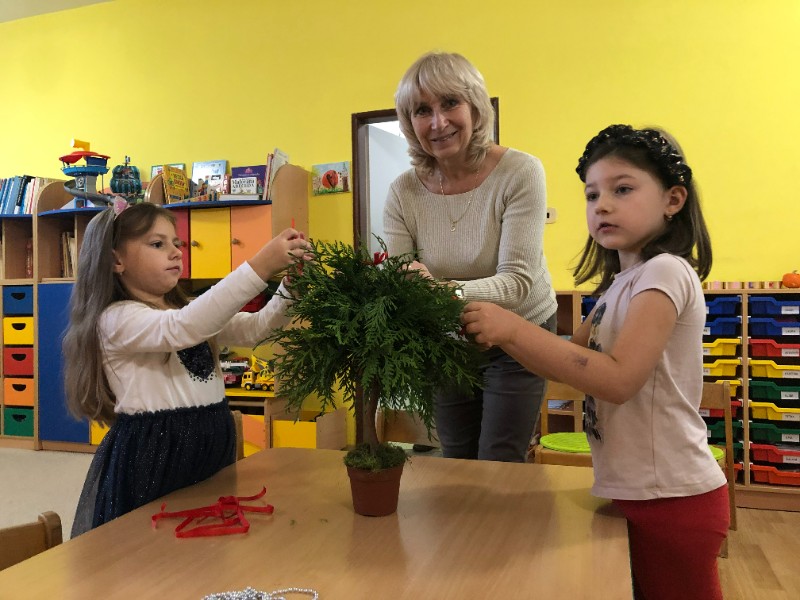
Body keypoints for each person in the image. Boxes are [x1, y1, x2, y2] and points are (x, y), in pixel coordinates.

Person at [462, 124, 729, 599]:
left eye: (622, 189)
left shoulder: (665, 272)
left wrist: (513, 328)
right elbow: (566, 365)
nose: (601, 205)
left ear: (673, 199)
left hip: (673, 497)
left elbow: (618, 380)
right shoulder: (616, 288)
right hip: (636, 490)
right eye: (591, 194)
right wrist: (504, 338)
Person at [65, 201, 310, 537]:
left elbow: (256, 330)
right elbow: (182, 328)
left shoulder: (187, 309)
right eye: (157, 244)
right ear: (115, 260)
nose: (176, 252)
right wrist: (262, 264)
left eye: (176, 243)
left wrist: (291, 287)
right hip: (156, 451)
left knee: (207, 540)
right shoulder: (115, 318)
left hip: (210, 439)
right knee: (151, 543)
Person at [384, 51, 558, 463]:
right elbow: (401, 277)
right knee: (457, 456)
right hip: (450, 339)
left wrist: (441, 291)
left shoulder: (521, 172)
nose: (438, 122)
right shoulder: (402, 192)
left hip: (520, 333)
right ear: (409, 123)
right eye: (421, 110)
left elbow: (517, 283)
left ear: (476, 108)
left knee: (499, 458)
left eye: (450, 103)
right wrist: (416, 289)